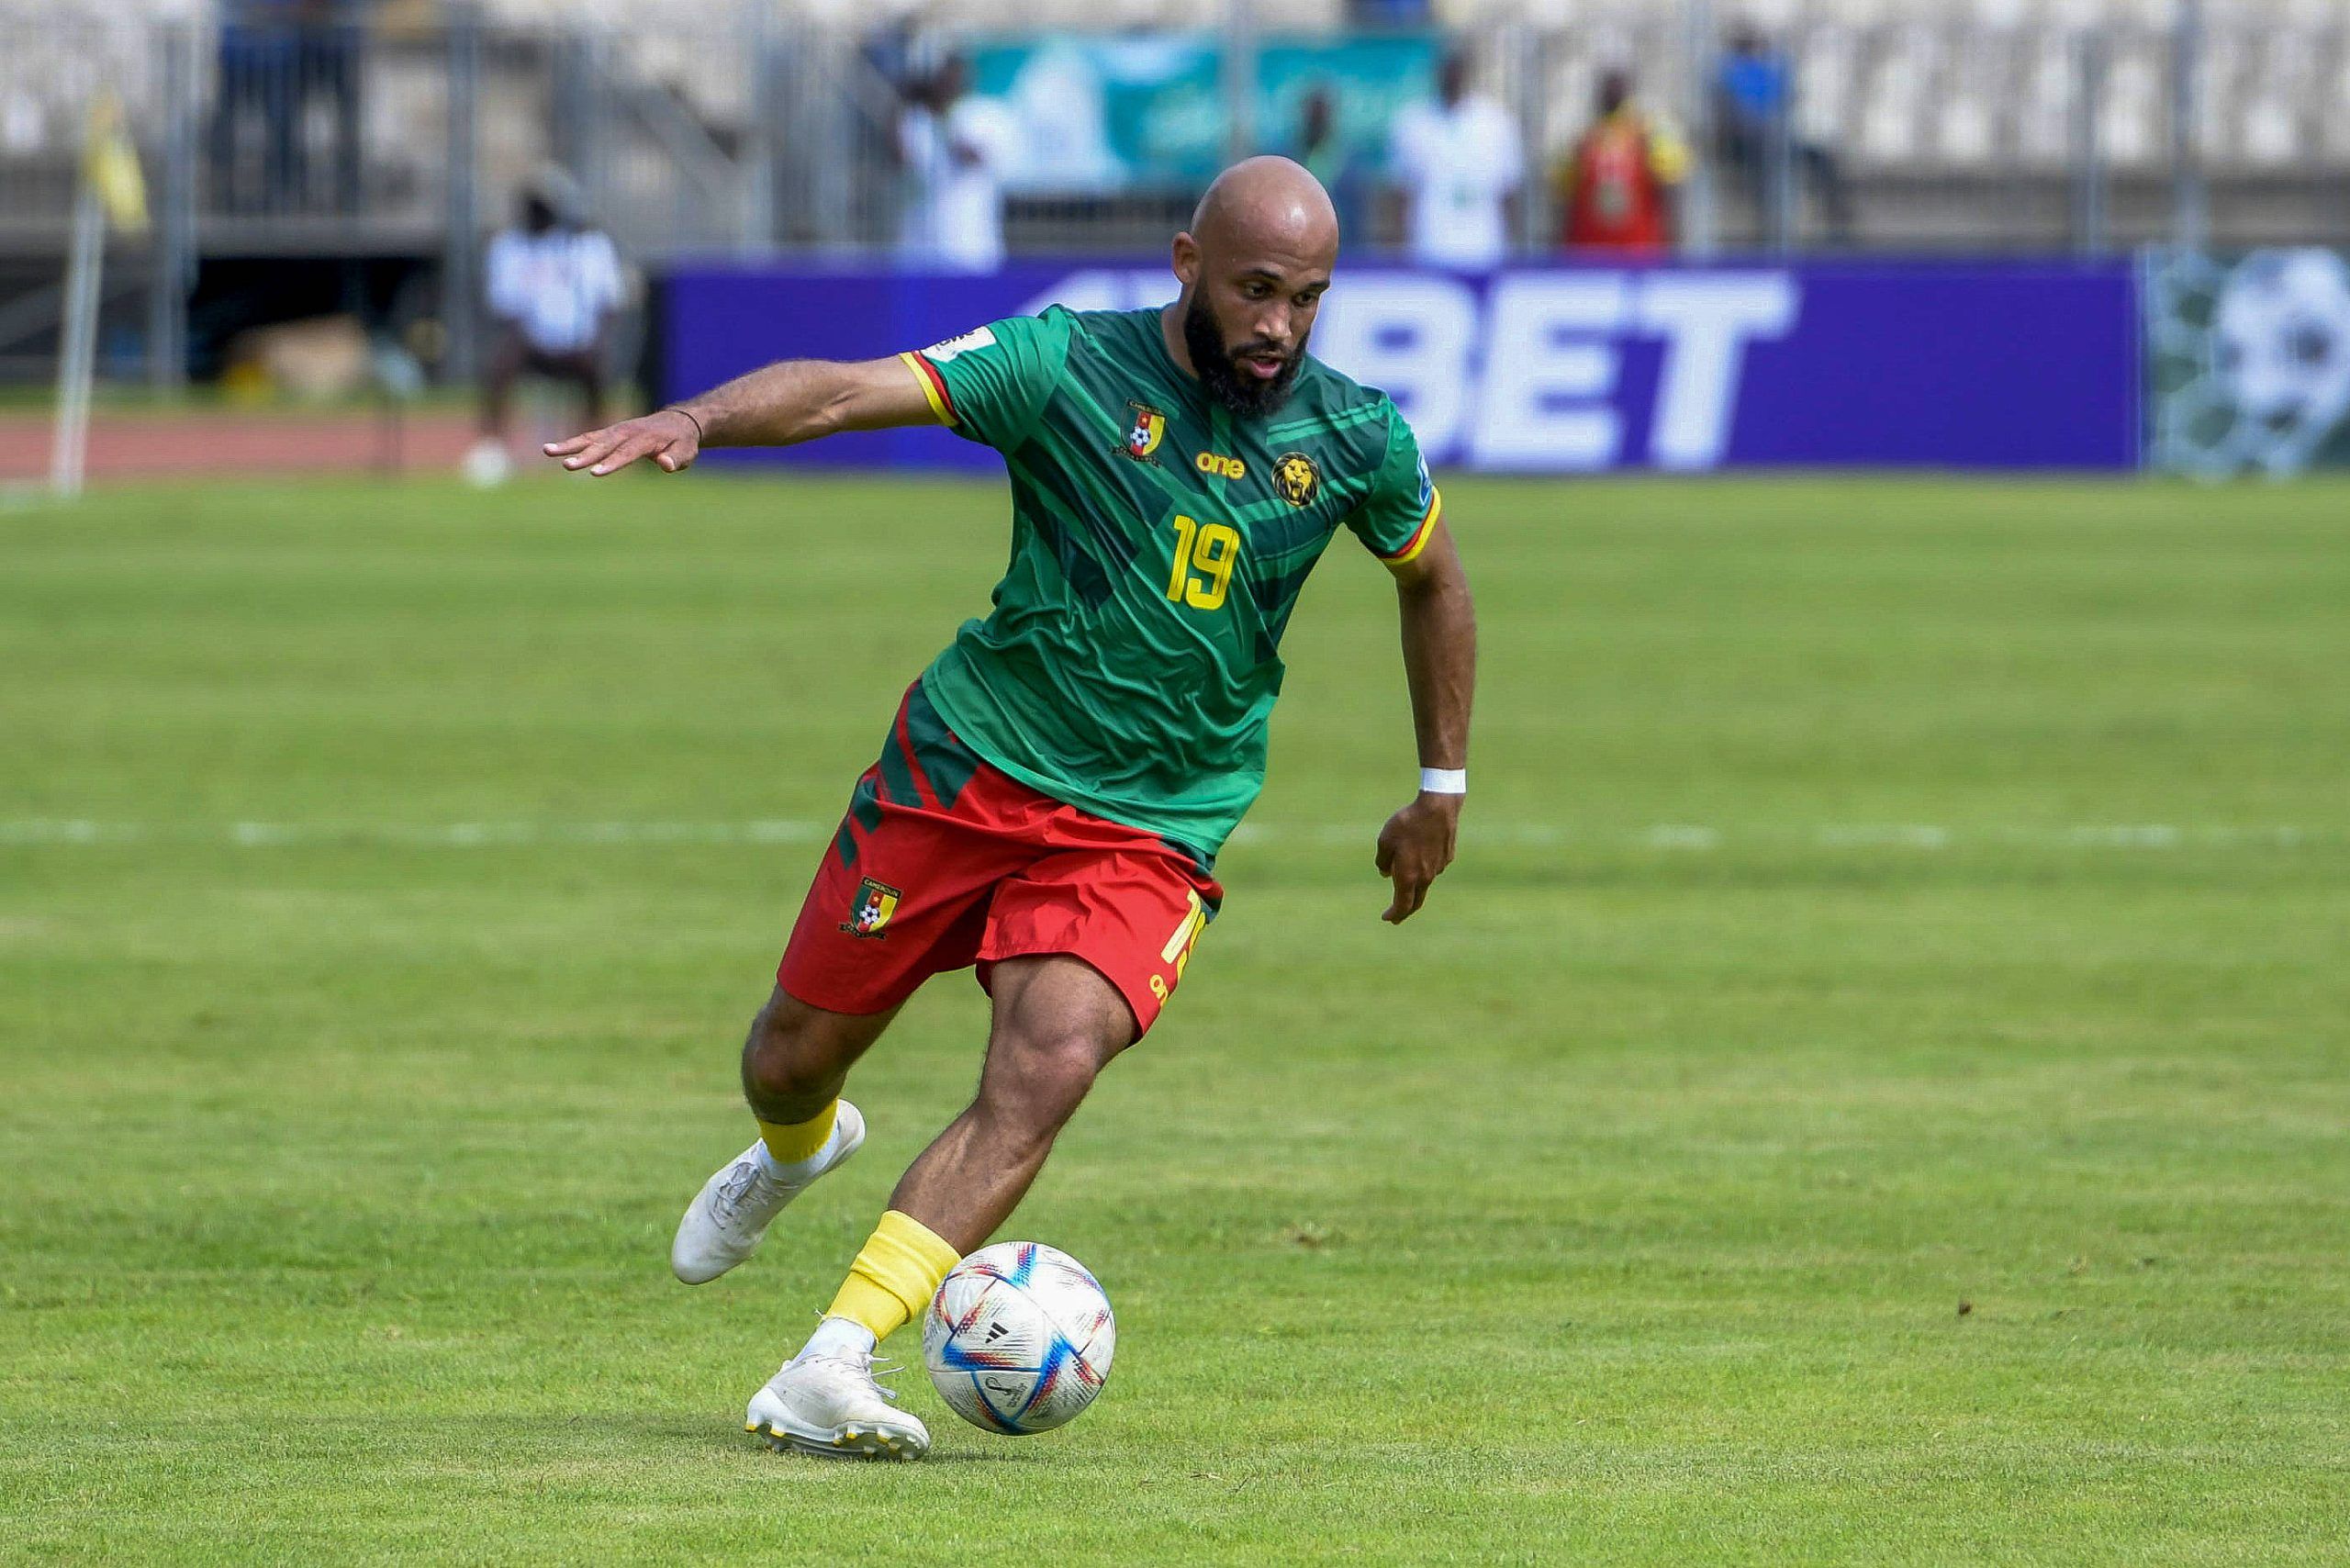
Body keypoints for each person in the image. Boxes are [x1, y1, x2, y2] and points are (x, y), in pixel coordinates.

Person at [544, 156, 1477, 1462]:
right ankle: (795, 1152)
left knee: (1048, 1066)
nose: (1278, 327)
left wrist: (1442, 786)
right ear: (1185, 264)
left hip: (1148, 827)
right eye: (1256, 290)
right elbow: (849, 392)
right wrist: (699, 418)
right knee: (790, 1057)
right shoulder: (1064, 366)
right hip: (964, 773)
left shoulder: (1352, 437)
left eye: (1307, 299)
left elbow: (1433, 579)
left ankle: (832, 1359)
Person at [467, 176, 624, 486]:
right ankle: (492, 449)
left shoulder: (589, 245)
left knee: (596, 367)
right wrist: (533, 340)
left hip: (579, 345)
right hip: (532, 346)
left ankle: (590, 450)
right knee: (502, 361)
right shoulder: (508, 247)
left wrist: (592, 340)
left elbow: (608, 302)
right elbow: (506, 307)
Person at [1386, 48, 1524, 271]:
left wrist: (1514, 249)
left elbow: (1509, 193)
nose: (1454, 76)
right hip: (1428, 247)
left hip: (1485, 248)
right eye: (1449, 70)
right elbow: (1400, 195)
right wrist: (1400, 252)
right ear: (1438, 73)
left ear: (1469, 72)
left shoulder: (1497, 124)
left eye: (1458, 69)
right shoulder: (1413, 123)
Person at [1715, 24, 1852, 244]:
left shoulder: (1771, 67)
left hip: (1775, 137)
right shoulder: (1727, 70)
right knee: (1764, 161)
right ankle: (1768, 229)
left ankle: (1836, 216)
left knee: (1820, 157)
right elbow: (1733, 112)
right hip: (1744, 140)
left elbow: (1788, 98)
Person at [896, 54, 1014, 273]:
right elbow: (901, 160)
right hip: (921, 244)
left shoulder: (984, 114)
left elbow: (974, 158)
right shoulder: (919, 118)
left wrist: (945, 119)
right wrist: (900, 103)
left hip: (971, 244)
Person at [1555, 70, 1688, 255]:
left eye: (1617, 87)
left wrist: (1674, 246)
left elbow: (1670, 190)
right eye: (1607, 87)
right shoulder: (1584, 139)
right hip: (1588, 251)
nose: (1611, 92)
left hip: (1639, 251)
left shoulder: (1649, 136)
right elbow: (1567, 198)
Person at [1293, 85, 1372, 250]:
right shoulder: (1288, 160)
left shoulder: (1349, 164)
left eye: (1321, 115)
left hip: (1345, 248)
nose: (1317, 121)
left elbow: (1359, 214)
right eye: (1313, 116)